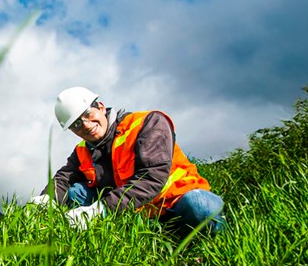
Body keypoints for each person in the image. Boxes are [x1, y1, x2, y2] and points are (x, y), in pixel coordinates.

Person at [39, 87, 224, 234]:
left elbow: (153, 177)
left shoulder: (147, 123)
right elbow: (64, 178)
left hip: (174, 202)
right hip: (135, 212)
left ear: (101, 107)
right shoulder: (83, 149)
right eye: (77, 124)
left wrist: (101, 209)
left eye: (87, 114)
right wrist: (42, 202)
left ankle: (193, 238)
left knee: (201, 207)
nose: (86, 125)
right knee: (75, 193)